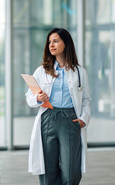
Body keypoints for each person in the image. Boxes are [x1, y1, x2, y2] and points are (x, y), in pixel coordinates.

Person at [25, 28, 91, 185]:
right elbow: (29, 97)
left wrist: (84, 119)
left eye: (55, 41)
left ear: (66, 43)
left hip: (70, 120)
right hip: (48, 120)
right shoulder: (42, 71)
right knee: (49, 170)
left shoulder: (79, 72)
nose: (51, 45)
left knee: (70, 171)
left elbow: (86, 99)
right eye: (49, 42)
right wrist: (38, 98)